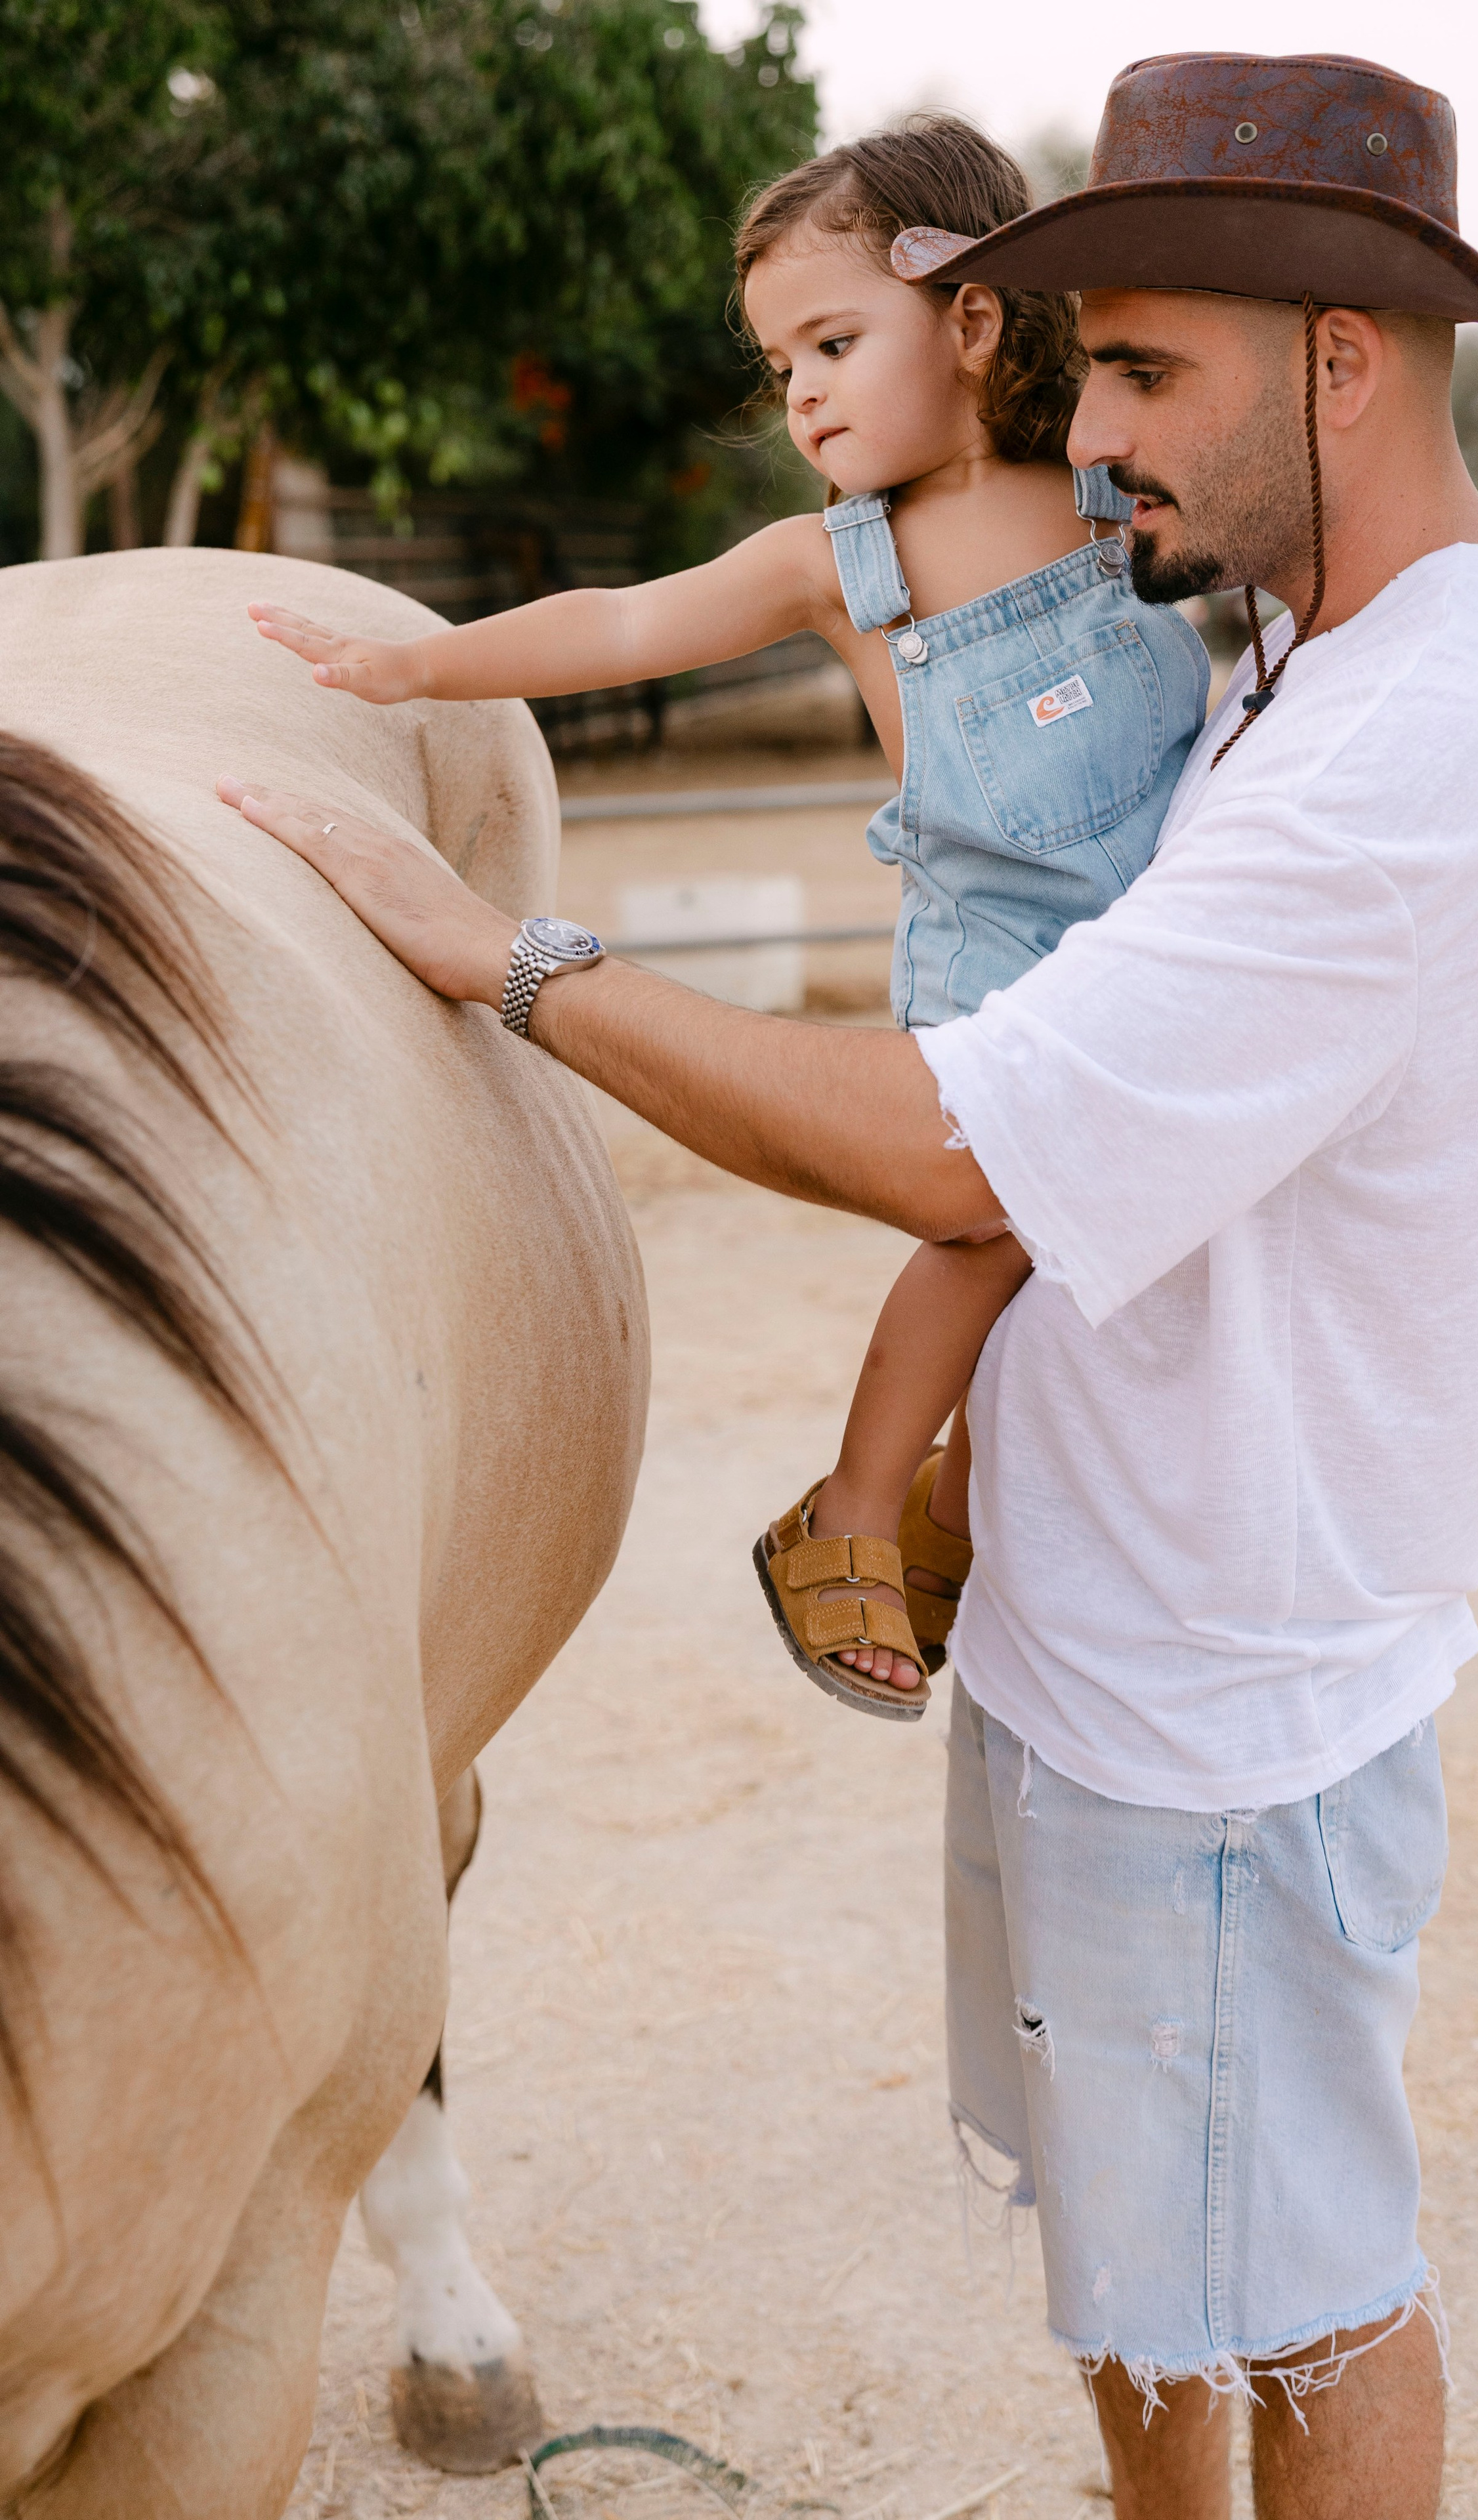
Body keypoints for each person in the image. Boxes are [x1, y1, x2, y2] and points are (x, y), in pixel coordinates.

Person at [221, 52, 1478, 2520]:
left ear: (1343, 356)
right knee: (1147, 2255)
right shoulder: (1306, 648)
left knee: (1305, 2290)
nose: (1089, 424)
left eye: (1142, 366)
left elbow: (951, 1137)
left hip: (1217, 1691)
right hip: (1107, 1624)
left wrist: (497, 955)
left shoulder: (1412, 745)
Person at [245, 118, 1210, 1722]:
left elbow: (1305, 560)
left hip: (1162, 961)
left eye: (833, 342)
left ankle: (960, 1512)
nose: (803, 394)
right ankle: (849, 1509)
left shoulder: (1119, 497)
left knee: (1113, 1282)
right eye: (780, 367)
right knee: (985, 1236)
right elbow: (622, 623)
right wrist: (419, 663)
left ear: (971, 320)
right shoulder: (839, 565)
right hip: (1000, 969)